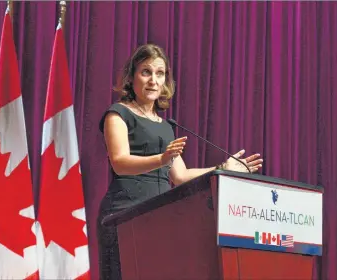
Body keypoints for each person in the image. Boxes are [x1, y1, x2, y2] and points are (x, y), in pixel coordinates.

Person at [97, 43, 263, 280]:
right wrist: (161, 158)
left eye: (160, 73)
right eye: (146, 72)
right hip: (124, 216)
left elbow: (180, 176)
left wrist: (222, 169)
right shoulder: (118, 114)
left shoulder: (166, 127)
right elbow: (120, 162)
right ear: (131, 76)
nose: (153, 80)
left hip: (160, 219)